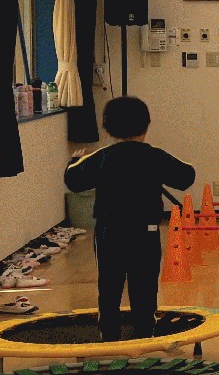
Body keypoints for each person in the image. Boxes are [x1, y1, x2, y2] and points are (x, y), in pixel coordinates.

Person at [64, 95, 195, 340]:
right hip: (146, 231)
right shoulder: (154, 156)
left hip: (109, 231)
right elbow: (187, 176)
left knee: (109, 286)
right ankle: (144, 335)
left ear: (107, 128)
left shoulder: (103, 156)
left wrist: (75, 160)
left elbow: (73, 180)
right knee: (144, 286)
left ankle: (109, 337)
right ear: (146, 126)